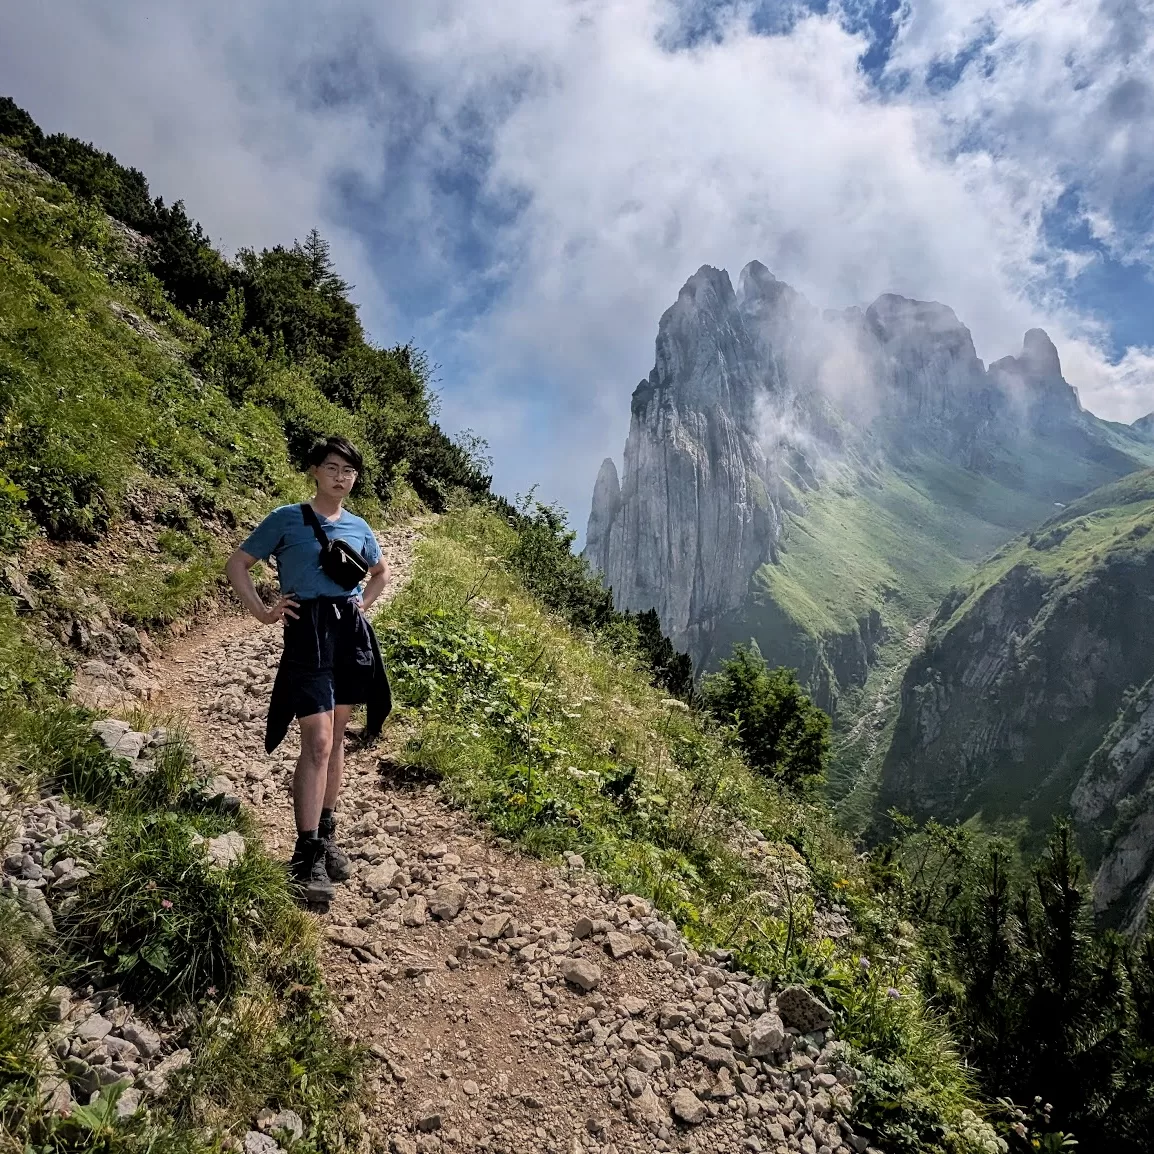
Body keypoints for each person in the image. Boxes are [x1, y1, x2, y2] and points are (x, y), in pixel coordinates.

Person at [225, 435, 391, 903]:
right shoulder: (286, 518)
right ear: (315, 470)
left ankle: (325, 831)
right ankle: (305, 853)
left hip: (348, 633)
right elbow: (237, 563)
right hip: (307, 632)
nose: (342, 477)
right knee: (316, 740)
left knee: (336, 738)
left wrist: (365, 602)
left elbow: (380, 573)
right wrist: (263, 611)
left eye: (350, 471)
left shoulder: (359, 526)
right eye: (334, 468)